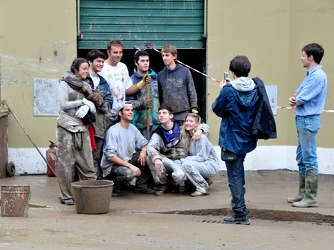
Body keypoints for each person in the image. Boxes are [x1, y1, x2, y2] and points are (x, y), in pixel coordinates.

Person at [212, 55, 260, 225]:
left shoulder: (229, 90)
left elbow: (217, 109)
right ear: (248, 71)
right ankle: (239, 209)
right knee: (238, 173)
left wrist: (222, 89)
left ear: (232, 73)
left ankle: (240, 213)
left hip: (231, 139)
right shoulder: (256, 87)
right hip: (247, 138)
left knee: (235, 177)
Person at [287, 43, 327, 208]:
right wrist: (294, 97)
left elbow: (301, 97)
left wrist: (295, 99)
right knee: (302, 158)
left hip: (309, 120)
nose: (301, 58)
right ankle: (303, 193)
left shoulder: (318, 76)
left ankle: (311, 197)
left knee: (309, 158)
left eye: (303, 55)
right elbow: (298, 92)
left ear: (311, 57)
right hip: (303, 119)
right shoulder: (311, 74)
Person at [56, 58, 97, 205]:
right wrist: (82, 102)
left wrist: (90, 105)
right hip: (66, 127)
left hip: (82, 127)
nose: (87, 71)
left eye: (87, 68)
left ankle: (90, 192)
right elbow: (63, 104)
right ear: (76, 70)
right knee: (66, 163)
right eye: (84, 68)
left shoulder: (86, 85)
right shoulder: (64, 83)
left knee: (87, 161)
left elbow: (95, 100)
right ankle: (66, 196)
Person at [147, 106, 208, 196]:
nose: (161, 115)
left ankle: (175, 183)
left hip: (185, 161)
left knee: (180, 176)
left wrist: (200, 130)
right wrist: (156, 158)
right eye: (159, 113)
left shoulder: (181, 127)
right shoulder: (158, 132)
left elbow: (204, 126)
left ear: (171, 116)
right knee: (150, 158)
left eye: (164, 113)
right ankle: (162, 185)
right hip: (169, 162)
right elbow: (151, 146)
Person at [100, 102, 155, 195]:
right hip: (112, 166)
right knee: (129, 174)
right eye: (127, 110)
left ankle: (141, 186)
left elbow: (145, 143)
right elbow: (111, 156)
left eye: (132, 110)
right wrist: (130, 166)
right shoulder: (113, 130)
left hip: (127, 161)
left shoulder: (132, 128)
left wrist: (144, 150)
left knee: (148, 154)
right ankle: (113, 184)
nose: (131, 112)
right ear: (120, 113)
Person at [100, 39, 152, 116]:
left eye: (120, 52)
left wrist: (142, 83)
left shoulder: (123, 67)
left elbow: (127, 90)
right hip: (106, 114)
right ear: (108, 52)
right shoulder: (101, 68)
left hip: (121, 114)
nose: (118, 55)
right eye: (115, 52)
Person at [86, 49, 113, 179]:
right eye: (98, 61)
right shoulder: (82, 80)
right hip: (84, 126)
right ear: (90, 62)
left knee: (97, 157)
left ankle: (95, 184)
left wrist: (98, 100)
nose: (101, 64)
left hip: (99, 127)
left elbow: (108, 106)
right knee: (83, 157)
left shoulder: (104, 83)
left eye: (102, 62)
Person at [179, 113, 219, 197]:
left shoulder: (201, 137)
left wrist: (184, 160)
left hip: (209, 165)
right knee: (182, 165)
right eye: (186, 121)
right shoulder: (188, 136)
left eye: (191, 121)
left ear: (197, 124)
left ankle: (202, 187)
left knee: (186, 165)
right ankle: (205, 180)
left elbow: (202, 157)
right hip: (201, 164)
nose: (188, 123)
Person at [157, 45, 198, 125]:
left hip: (183, 114)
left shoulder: (185, 71)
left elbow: (191, 91)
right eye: (163, 55)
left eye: (167, 55)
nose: (164, 58)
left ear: (174, 56)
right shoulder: (160, 75)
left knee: (184, 137)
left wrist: (194, 108)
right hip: (168, 115)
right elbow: (159, 96)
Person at [129, 50, 160, 139]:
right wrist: (141, 104)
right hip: (141, 124)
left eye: (147, 60)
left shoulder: (156, 78)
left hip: (157, 122)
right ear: (136, 62)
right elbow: (127, 103)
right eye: (142, 61)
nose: (146, 63)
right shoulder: (131, 80)